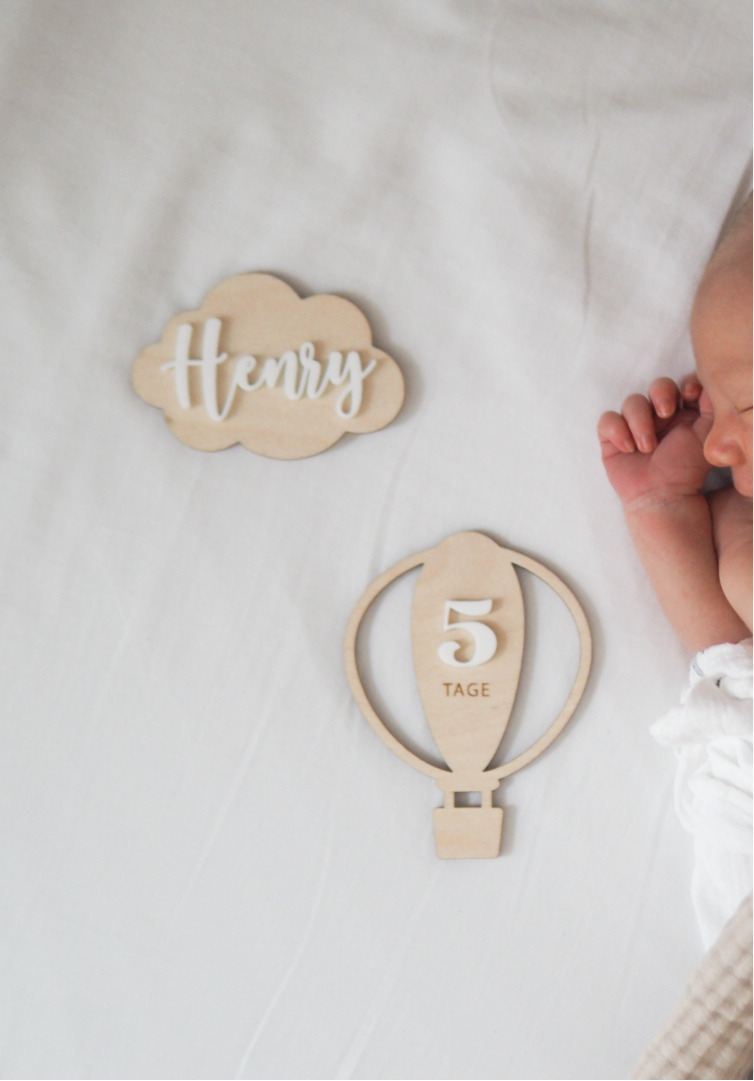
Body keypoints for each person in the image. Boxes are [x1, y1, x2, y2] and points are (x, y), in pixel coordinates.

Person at [598, 194, 754, 951]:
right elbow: (729, 684)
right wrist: (663, 508)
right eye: (713, 401)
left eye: (745, 404)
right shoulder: (739, 528)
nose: (717, 442)